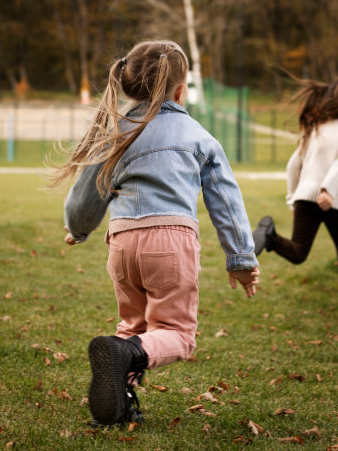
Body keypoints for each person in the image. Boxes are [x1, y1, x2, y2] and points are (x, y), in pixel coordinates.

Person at [54, 40, 260, 427]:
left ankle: (118, 408)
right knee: (178, 335)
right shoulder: (197, 135)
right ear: (180, 91)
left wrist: (78, 230)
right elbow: (226, 203)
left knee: (132, 331)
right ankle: (122, 362)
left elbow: (86, 195)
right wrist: (241, 259)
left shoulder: (116, 132)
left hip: (122, 244)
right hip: (171, 241)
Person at [252, 76, 338, 323]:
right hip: (331, 200)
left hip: (304, 197)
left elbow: (293, 166)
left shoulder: (315, 128)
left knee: (298, 252)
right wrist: (327, 190)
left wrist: (293, 199)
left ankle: (271, 237)